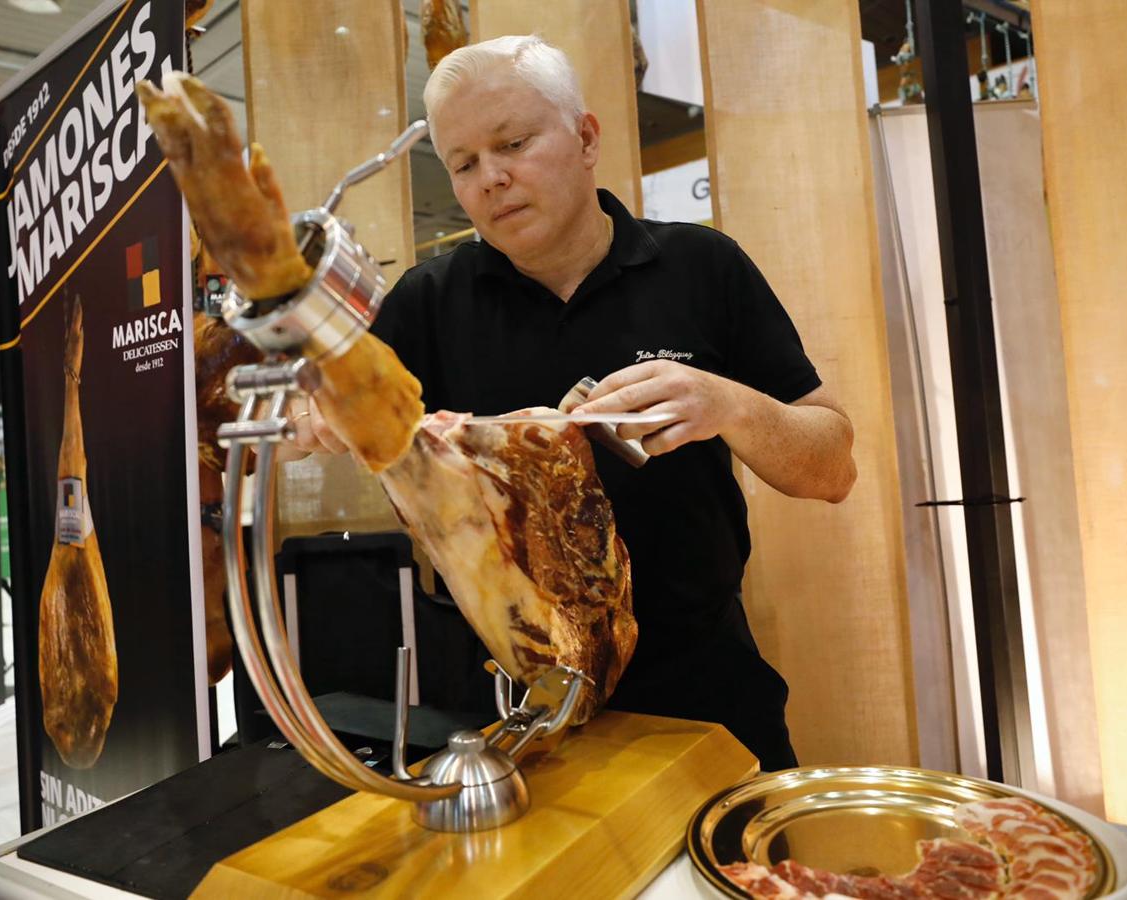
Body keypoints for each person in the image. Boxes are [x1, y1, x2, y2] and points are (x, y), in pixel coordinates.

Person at [291, 35, 856, 771]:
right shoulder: (428, 303)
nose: (492, 178)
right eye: (463, 163)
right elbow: (310, 415)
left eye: (513, 144)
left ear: (586, 139)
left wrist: (728, 405)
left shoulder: (700, 266)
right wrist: (312, 415)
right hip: (514, 700)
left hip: (702, 687)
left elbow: (832, 469)